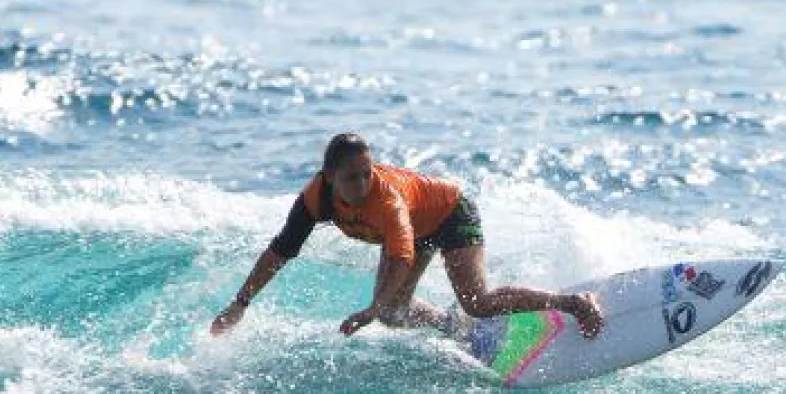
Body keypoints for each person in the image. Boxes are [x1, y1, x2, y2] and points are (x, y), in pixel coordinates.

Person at [210, 133, 604, 340]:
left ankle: (573, 303)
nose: (363, 183)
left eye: (368, 172)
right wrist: (240, 303)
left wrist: (371, 307)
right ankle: (455, 329)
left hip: (450, 213)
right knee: (396, 315)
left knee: (477, 301)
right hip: (418, 228)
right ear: (329, 177)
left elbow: (400, 256)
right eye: (352, 177)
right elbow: (280, 251)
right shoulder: (314, 200)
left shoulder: (388, 201)